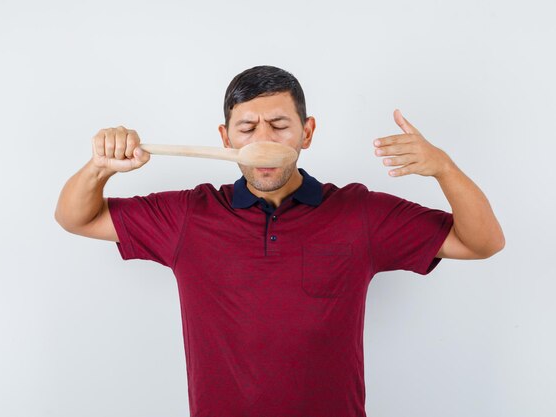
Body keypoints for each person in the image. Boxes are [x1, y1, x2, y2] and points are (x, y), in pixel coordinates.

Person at [55, 65, 505, 417]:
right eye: (247, 129)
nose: (263, 139)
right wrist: (100, 166)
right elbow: (76, 217)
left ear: (307, 133)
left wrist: (444, 168)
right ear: (225, 137)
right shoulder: (189, 216)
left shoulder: (360, 213)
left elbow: (482, 242)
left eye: (279, 125)